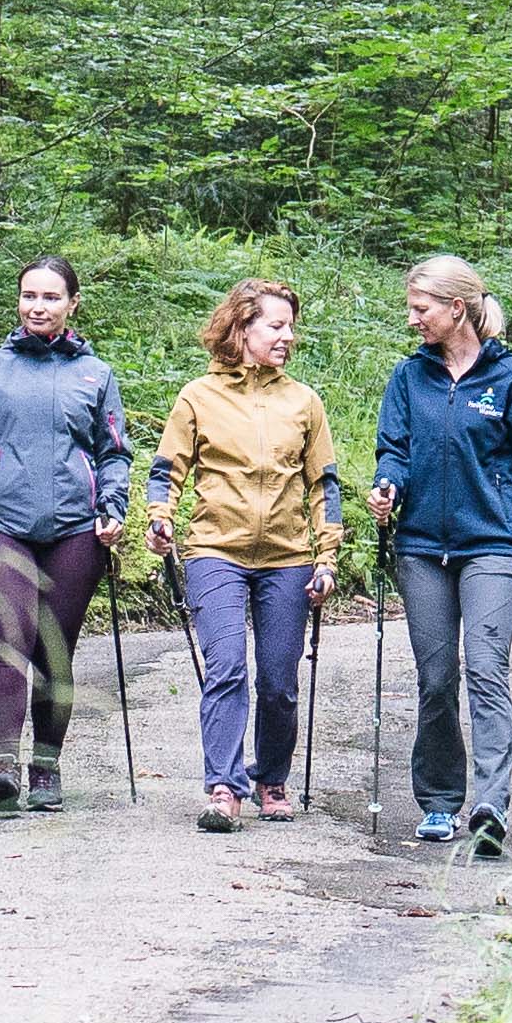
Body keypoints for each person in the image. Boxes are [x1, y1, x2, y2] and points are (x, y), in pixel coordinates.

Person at [367, 252, 512, 860]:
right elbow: (393, 448)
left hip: (494, 544)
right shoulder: (408, 377)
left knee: (485, 670)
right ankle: (441, 802)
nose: (413, 319)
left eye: (421, 309)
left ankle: (491, 803)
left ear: (457, 308)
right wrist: (387, 484)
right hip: (421, 544)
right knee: (436, 678)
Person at [150, 278, 342, 832]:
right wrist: (159, 520)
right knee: (227, 667)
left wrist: (326, 558)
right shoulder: (198, 397)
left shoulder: (304, 402)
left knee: (279, 681)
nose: (288, 337)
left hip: (287, 556)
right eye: (275, 326)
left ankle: (271, 777)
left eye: (289, 327)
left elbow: (323, 486)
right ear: (242, 328)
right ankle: (223, 785)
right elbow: (167, 472)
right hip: (215, 551)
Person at [0, 255, 133, 813]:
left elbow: (113, 453)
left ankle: (46, 766)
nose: (38, 306)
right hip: (0, 522)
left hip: (77, 527)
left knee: (55, 648)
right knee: (12, 634)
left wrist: (113, 504)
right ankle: (3, 763)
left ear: (72, 304)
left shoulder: (95, 376)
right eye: (30, 296)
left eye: (51, 297)